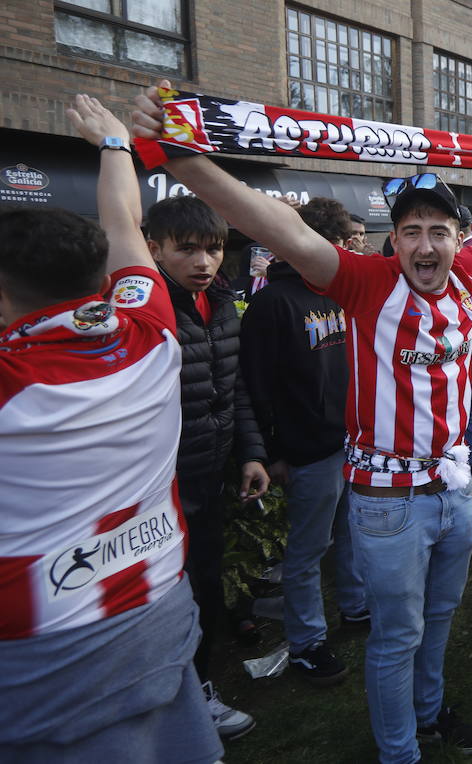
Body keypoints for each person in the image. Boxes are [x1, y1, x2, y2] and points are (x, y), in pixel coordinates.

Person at [132, 79, 472, 763]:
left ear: (459, 237)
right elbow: (271, 224)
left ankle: (428, 713)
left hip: (455, 491)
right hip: (387, 504)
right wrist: (179, 156)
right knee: (397, 637)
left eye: (439, 230)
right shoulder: (364, 281)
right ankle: (399, 752)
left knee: (437, 624)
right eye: (411, 231)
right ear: (392, 240)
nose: (426, 245)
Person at [0, 97, 221, 763]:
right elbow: (124, 221)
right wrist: (115, 143)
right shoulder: (151, 327)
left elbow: (122, 225)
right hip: (160, 608)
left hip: (51, 660)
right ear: (100, 279)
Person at [141, 192, 268, 738]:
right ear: (153, 249)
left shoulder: (221, 303)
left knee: (204, 587)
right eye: (187, 249)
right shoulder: (143, 310)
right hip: (154, 491)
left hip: (209, 475)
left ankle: (198, 689)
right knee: (161, 602)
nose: (203, 262)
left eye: (213, 249)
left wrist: (250, 453)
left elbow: (232, 388)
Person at [239, 197, 368, 685]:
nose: (339, 250)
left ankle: (355, 609)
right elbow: (256, 385)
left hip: (350, 442)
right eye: (331, 242)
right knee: (307, 553)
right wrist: (272, 454)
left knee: (353, 537)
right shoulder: (274, 303)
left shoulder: (340, 291)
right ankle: (307, 644)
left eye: (340, 242)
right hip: (305, 451)